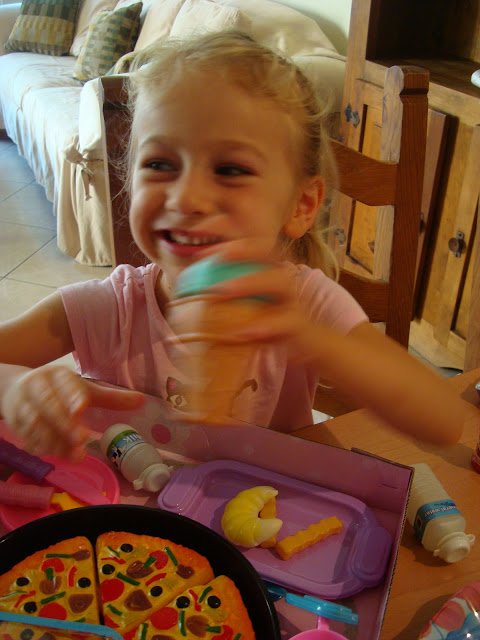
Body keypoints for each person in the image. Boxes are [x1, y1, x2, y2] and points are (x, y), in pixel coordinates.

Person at [0, 31, 472, 460]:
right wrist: (17, 387)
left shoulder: (304, 306)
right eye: (160, 164)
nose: (185, 197)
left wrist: (307, 339)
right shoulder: (109, 311)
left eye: (230, 170)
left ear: (301, 205)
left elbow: (444, 421)